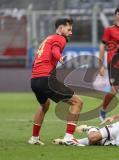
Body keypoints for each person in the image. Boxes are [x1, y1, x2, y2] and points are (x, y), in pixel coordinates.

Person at [28, 18, 84, 146]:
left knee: (44, 105)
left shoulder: (48, 39)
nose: (71, 32)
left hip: (34, 80)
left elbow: (38, 59)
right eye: (69, 29)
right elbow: (55, 51)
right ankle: (69, 138)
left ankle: (34, 138)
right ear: (60, 28)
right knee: (77, 102)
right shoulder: (60, 38)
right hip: (46, 78)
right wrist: (60, 58)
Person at [53, 93, 119, 147]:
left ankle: (71, 142)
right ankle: (91, 128)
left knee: (95, 142)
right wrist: (114, 117)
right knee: (93, 137)